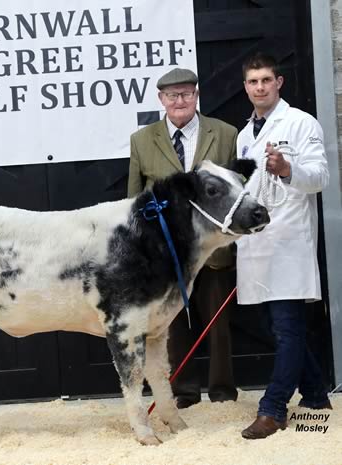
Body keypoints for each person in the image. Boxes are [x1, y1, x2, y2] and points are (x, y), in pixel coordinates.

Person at [128, 67, 239, 409]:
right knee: (171, 325)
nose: (180, 101)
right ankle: (184, 391)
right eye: (172, 95)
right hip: (167, 254)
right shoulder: (142, 140)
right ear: (161, 99)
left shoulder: (225, 133)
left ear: (196, 96)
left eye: (187, 94)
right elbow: (134, 198)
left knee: (218, 322)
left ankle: (223, 393)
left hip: (214, 248)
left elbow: (238, 191)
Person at [236, 52, 332, 440]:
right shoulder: (245, 135)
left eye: (266, 80)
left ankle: (273, 408)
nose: (260, 87)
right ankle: (315, 395)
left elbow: (320, 177)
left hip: (289, 240)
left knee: (287, 326)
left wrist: (288, 170)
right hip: (257, 244)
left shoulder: (301, 123)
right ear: (245, 87)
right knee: (272, 325)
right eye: (252, 81)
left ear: (279, 83)